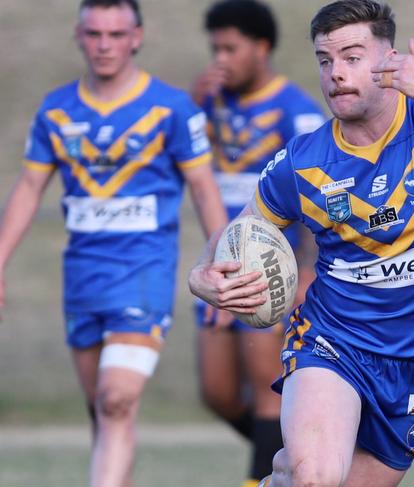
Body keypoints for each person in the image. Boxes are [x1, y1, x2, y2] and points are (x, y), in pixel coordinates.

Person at [189, 0, 414, 485]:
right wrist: (201, 275)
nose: (336, 73)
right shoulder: (302, 163)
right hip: (332, 341)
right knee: (317, 476)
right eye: (325, 60)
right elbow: (239, 230)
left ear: (390, 60)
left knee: (304, 479)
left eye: (352, 57)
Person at [0, 1, 227, 485]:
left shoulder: (171, 108)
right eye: (95, 34)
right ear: (79, 36)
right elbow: (27, 189)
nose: (105, 45)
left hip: (144, 273)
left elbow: (205, 189)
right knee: (103, 412)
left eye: (116, 34)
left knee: (116, 398)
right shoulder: (56, 110)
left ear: (137, 37)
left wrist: (226, 258)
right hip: (83, 277)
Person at [189, 2, 325, 485]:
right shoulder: (210, 104)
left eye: (230, 47)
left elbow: (316, 194)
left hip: (269, 272)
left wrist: (307, 271)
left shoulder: (297, 112)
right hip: (218, 271)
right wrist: (191, 103)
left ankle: (275, 471)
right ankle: (304, 456)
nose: (220, 58)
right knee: (217, 392)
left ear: (262, 48)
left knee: (270, 395)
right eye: (214, 48)